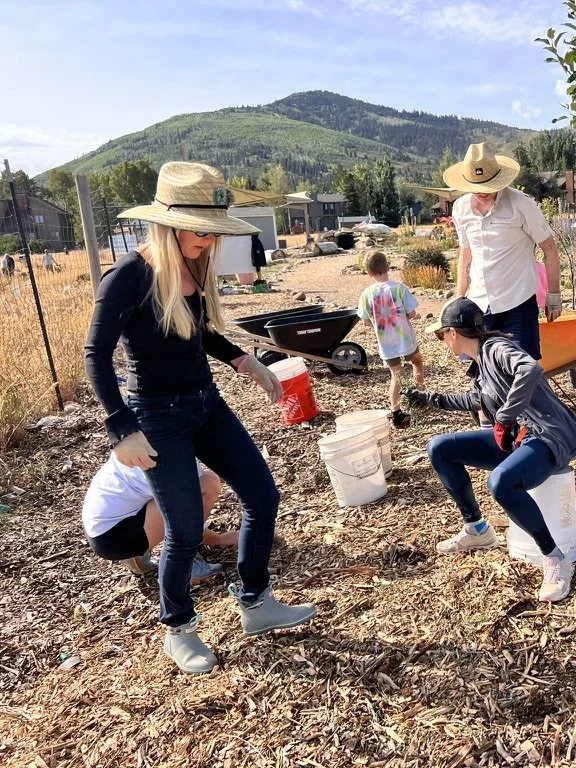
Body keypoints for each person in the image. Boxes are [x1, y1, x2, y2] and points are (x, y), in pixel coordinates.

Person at [85, 162, 315, 675]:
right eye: (200, 229)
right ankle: (178, 629)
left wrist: (246, 360)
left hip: (205, 403)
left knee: (262, 494)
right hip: (156, 417)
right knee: (184, 529)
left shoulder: (196, 266)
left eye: (214, 231)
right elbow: (95, 355)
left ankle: (255, 602)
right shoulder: (127, 277)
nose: (209, 241)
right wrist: (120, 426)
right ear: (166, 223)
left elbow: (201, 331)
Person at [404, 298, 576, 602]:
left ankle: (555, 557)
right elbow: (477, 401)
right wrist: (429, 399)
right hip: (517, 437)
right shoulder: (479, 364)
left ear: (453, 332)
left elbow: (529, 369)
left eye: (442, 335)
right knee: (440, 447)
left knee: (502, 482)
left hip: (547, 436)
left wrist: (504, 416)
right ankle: (477, 528)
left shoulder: (496, 349)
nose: (442, 341)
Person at [445, 143, 562, 360]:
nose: (483, 192)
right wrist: (460, 295)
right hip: (479, 303)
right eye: (478, 186)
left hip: (517, 301)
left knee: (523, 372)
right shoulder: (460, 209)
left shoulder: (521, 204)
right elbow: (466, 253)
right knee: (483, 373)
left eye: (489, 185)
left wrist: (553, 295)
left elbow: (550, 248)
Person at [83, 457, 236, 580]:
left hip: (100, 528)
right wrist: (218, 539)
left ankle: (137, 556)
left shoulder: (143, 436)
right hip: (115, 537)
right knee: (206, 485)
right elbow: (184, 510)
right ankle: (183, 563)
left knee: (205, 480)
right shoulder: (171, 455)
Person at [357, 251, 425, 427]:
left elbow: (365, 321)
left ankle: (396, 413)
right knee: (417, 362)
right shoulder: (399, 288)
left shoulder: (366, 294)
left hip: (386, 344)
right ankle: (420, 396)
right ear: (387, 267)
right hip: (405, 339)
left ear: (369, 273)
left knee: (397, 376)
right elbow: (411, 313)